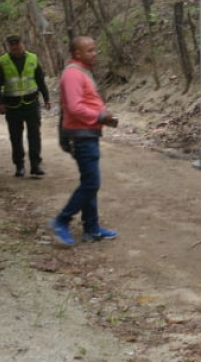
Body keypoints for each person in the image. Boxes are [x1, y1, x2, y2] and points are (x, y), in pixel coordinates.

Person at [50, 36, 119, 246]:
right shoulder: (72, 74)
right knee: (91, 183)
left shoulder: (82, 72)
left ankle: (91, 228)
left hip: (88, 134)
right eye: (90, 50)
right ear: (77, 53)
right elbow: (74, 107)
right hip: (80, 136)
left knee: (89, 182)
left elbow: (85, 102)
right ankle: (61, 220)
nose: (94, 53)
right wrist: (100, 117)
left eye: (95, 49)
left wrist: (103, 118)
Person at [0, 34, 51, 178]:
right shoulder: (2, 62)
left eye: (17, 44)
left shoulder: (33, 58)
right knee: (15, 137)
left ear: (22, 44)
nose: (15, 47)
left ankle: (35, 165)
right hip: (12, 106)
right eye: (12, 45)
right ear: (9, 46)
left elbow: (40, 80)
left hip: (31, 103)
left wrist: (47, 98)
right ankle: (19, 166)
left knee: (34, 135)